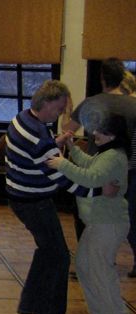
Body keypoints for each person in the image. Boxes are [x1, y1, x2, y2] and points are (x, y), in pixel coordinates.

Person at [6, 80, 110, 314]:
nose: (62, 113)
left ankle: (31, 304)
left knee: (47, 251)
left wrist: (55, 141)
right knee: (59, 256)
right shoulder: (39, 136)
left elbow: (41, 151)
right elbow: (63, 179)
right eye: (60, 108)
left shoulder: (21, 118)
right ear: (47, 103)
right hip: (34, 203)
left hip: (20, 198)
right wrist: (98, 191)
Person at [47, 114, 133, 314]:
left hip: (107, 224)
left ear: (112, 135)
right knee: (85, 266)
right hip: (99, 223)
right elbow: (89, 165)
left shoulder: (113, 156)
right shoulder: (107, 153)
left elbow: (90, 178)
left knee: (102, 273)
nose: (94, 134)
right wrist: (71, 148)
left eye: (100, 131)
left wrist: (62, 163)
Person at [68, 59, 136, 277]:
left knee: (89, 216)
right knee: (129, 216)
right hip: (128, 169)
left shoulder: (91, 103)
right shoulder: (133, 105)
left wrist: (68, 111)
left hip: (96, 166)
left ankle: (91, 260)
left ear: (102, 78)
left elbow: (68, 130)